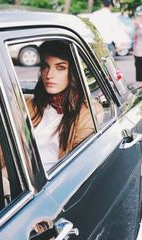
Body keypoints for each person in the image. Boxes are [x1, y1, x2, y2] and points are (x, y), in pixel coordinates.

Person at [26, 40, 95, 171]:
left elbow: (79, 166)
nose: (49, 75)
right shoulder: (32, 104)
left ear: (73, 73)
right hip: (22, 179)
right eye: (45, 66)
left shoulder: (86, 111)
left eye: (60, 68)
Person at [133, 5, 142, 87]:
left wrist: (139, 25)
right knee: (138, 71)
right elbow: (135, 38)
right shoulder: (137, 25)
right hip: (138, 52)